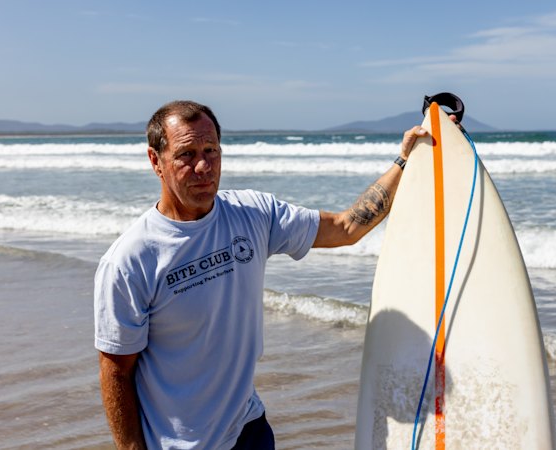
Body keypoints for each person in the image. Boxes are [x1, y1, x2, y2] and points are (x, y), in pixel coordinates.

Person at [94, 100, 436, 449]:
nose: (203, 165)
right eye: (186, 154)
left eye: (211, 150)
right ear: (156, 161)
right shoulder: (130, 260)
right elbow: (116, 371)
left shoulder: (252, 215)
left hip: (249, 429)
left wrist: (405, 161)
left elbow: (346, 227)